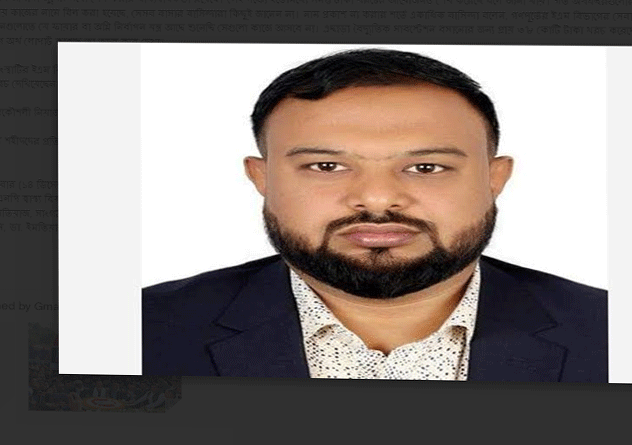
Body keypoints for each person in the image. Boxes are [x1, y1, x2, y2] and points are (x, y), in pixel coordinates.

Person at [142, 48, 607, 382]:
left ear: (494, 178)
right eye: (327, 166)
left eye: (426, 167)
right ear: (261, 178)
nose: (378, 200)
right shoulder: (137, 330)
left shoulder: (618, 335)